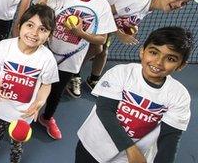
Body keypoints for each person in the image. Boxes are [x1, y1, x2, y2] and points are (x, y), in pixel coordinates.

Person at [76, 27, 192, 163]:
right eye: (154, 52)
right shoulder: (121, 73)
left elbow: (169, 140)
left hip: (125, 160)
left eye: (171, 59)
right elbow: (105, 111)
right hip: (93, 144)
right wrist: (131, 149)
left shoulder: (179, 96)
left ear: (181, 65)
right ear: (142, 51)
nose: (158, 62)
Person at [36, 0, 117, 140]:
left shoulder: (101, 5)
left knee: (56, 92)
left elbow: (101, 39)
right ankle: (24, 114)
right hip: (44, 52)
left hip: (71, 59)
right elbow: (36, 18)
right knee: (34, 85)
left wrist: (81, 33)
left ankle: (47, 118)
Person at [82, 0, 195, 91]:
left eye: (183, 3)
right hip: (87, 13)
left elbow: (122, 17)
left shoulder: (148, 7)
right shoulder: (138, 0)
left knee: (103, 52)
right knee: (97, 48)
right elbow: (103, 12)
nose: (179, 5)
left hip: (102, 21)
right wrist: (120, 34)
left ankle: (93, 79)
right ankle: (74, 73)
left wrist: (128, 27)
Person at [0, 4, 59, 163]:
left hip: (25, 114)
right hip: (1, 108)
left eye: (42, 29)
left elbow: (46, 84)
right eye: (30, 25)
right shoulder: (4, 47)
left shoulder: (47, 59)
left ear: (49, 35)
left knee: (18, 144)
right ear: (19, 26)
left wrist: (39, 102)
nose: (34, 33)